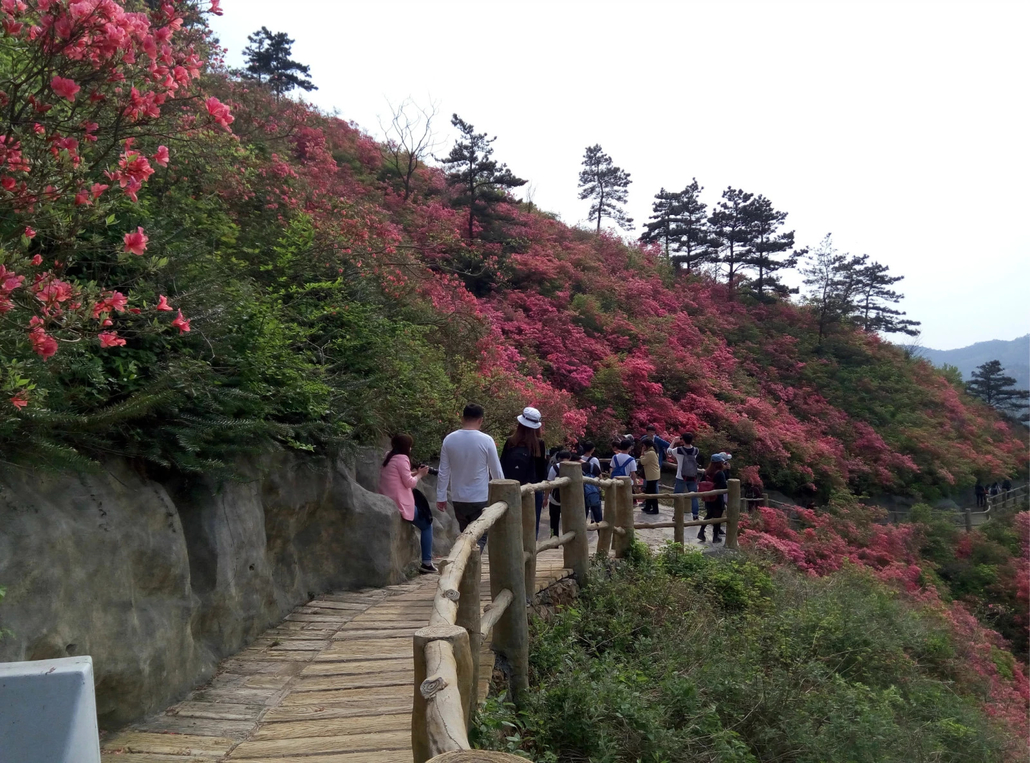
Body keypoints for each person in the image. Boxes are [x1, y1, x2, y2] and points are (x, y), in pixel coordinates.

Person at [436, 403, 505, 550]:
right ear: (481, 420)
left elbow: (443, 471)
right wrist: (503, 493)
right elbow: (496, 471)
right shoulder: (486, 440)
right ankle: (470, 567)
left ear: (462, 418)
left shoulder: (449, 439)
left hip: (458, 498)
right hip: (479, 497)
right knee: (480, 537)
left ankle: (467, 567)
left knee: (465, 534)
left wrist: (441, 496)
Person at [379, 434, 435, 573]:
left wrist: (416, 472)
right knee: (427, 524)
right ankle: (426, 563)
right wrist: (420, 475)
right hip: (400, 503)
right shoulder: (402, 458)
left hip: (387, 499)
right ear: (406, 447)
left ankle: (426, 562)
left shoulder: (389, 456)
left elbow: (401, 476)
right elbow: (409, 483)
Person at [500, 406, 547, 537]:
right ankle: (530, 554)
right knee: (531, 525)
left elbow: (502, 465)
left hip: (512, 489)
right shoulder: (539, 444)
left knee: (512, 523)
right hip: (533, 488)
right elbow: (542, 470)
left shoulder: (510, 441)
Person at [669, 433, 703, 520]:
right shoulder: (696, 450)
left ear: (682, 440)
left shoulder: (678, 450)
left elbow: (669, 452)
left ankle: (677, 515)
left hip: (681, 476)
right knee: (694, 496)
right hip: (692, 476)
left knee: (677, 496)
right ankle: (695, 515)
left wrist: (674, 441)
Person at [697, 454, 729, 543]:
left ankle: (701, 531)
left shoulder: (706, 472)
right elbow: (723, 486)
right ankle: (715, 537)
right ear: (719, 463)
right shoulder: (720, 473)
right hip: (717, 498)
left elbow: (702, 482)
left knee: (709, 514)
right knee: (717, 517)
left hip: (708, 497)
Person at [544, 450, 575, 537]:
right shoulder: (574, 468)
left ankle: (554, 538)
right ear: (569, 458)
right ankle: (569, 539)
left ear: (559, 458)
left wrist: (545, 498)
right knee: (569, 522)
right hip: (569, 500)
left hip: (555, 500)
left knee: (554, 521)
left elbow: (549, 484)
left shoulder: (554, 468)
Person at [580, 441, 603, 524]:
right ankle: (597, 525)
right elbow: (598, 473)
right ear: (592, 449)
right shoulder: (594, 460)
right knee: (597, 511)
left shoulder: (579, 459)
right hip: (593, 487)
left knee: (583, 511)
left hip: (582, 488)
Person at [639, 438, 661, 515]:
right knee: (649, 491)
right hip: (652, 474)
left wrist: (641, 454)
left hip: (652, 475)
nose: (643, 447)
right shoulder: (651, 452)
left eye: (643, 445)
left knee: (652, 493)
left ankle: (655, 509)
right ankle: (648, 507)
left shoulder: (650, 453)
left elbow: (642, 461)